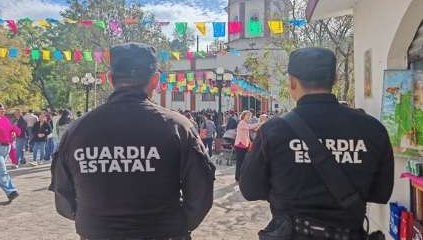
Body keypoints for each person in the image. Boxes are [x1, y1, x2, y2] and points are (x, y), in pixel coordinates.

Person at [50, 43, 215, 240]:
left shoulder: (76, 130)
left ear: (110, 79)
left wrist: (98, 222)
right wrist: (176, 226)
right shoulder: (178, 127)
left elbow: (63, 199)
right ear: (155, 80)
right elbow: (200, 193)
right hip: (163, 232)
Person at [240, 47, 394, 240]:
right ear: (335, 80)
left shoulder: (273, 131)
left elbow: (250, 189)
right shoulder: (372, 130)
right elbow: (381, 193)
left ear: (293, 82)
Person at [233, 110, 257, 182]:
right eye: (247, 115)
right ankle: (238, 177)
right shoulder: (242, 123)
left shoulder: (245, 123)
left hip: (244, 145)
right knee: (240, 162)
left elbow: (248, 134)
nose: (249, 117)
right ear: (243, 116)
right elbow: (250, 127)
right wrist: (260, 122)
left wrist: (250, 142)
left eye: (249, 116)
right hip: (240, 145)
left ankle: (241, 177)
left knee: (243, 162)